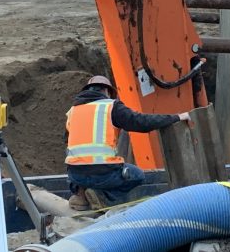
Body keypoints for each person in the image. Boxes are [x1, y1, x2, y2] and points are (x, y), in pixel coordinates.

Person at [66, 75, 191, 211]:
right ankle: (100, 195)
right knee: (137, 175)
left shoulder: (73, 111)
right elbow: (141, 122)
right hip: (104, 174)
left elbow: (67, 143)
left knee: (83, 173)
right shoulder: (111, 106)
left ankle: (81, 194)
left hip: (76, 175)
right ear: (107, 92)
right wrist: (176, 117)